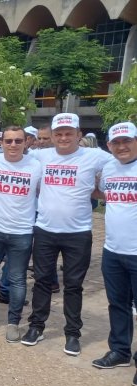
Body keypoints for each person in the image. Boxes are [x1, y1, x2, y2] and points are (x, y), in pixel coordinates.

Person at [22, 113, 113, 355]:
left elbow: (120, 165)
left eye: (68, 133)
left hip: (78, 232)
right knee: (41, 282)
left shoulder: (95, 157)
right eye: (59, 134)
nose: (63, 138)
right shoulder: (40, 156)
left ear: (78, 135)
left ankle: (72, 334)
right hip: (45, 230)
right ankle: (36, 327)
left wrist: (100, 191)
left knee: (73, 286)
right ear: (52, 136)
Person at [0, 126, 41, 341]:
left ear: (26, 142)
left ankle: (14, 322)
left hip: (21, 231)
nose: (13, 145)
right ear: (1, 142)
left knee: (17, 279)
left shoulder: (36, 166)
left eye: (18, 141)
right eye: (9, 141)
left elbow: (41, 193)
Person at [91, 122, 137, 386]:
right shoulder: (109, 169)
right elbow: (105, 194)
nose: (122, 146)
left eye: (127, 141)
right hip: (113, 249)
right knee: (117, 304)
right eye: (116, 143)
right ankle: (120, 351)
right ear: (109, 146)